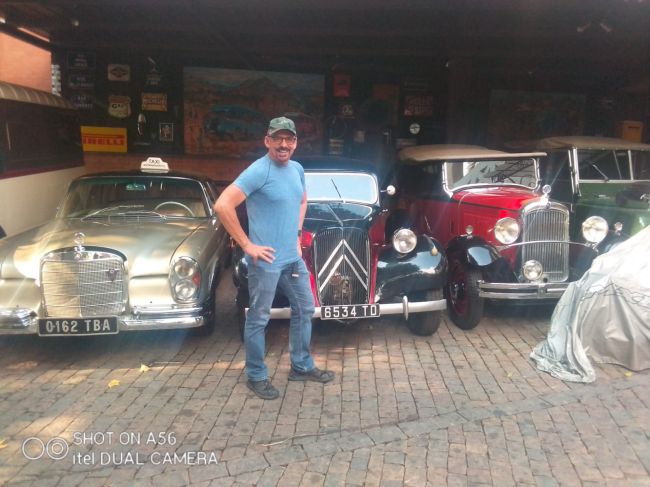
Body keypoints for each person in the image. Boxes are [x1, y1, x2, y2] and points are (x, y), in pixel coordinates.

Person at [213, 116, 335, 400]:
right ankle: (256, 375)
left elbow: (302, 200)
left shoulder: (297, 169)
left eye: (289, 139)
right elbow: (223, 205)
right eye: (277, 139)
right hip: (265, 261)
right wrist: (247, 245)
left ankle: (301, 366)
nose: (284, 144)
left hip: (292, 258)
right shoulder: (258, 171)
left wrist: (296, 233)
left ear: (295, 143)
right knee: (258, 318)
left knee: (306, 308)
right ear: (267, 141)